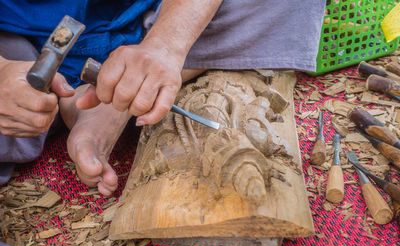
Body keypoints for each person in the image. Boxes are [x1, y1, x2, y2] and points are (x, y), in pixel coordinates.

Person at [0, 1, 326, 196]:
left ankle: (117, 99)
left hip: (154, 18)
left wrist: (167, 44)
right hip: (16, 41)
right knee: (14, 115)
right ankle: (109, 93)